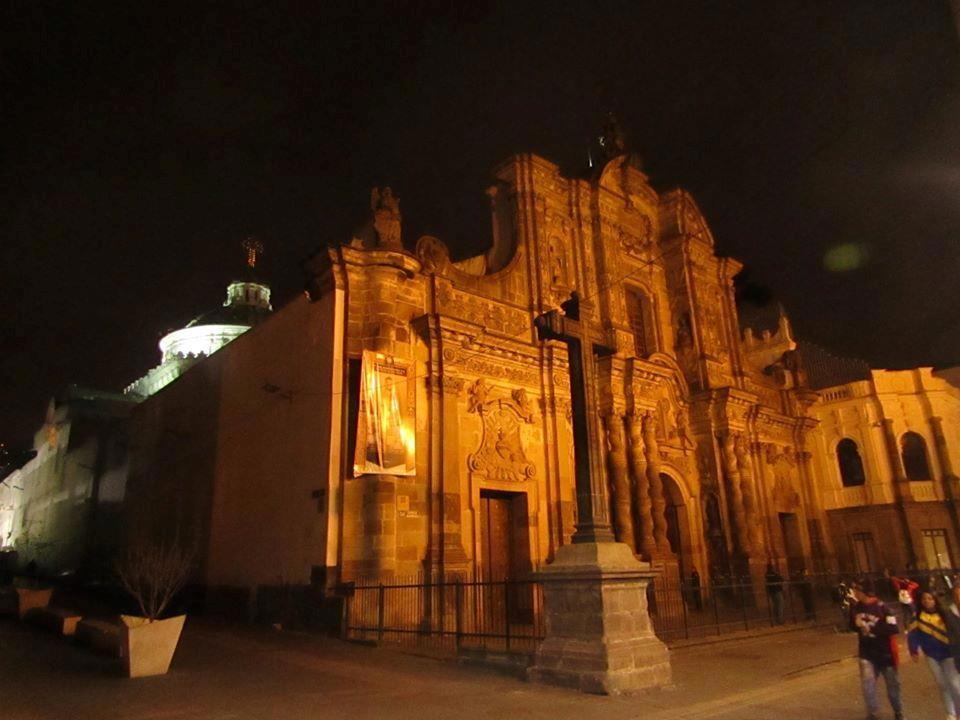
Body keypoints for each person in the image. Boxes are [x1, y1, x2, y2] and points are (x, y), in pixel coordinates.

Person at [850, 578, 904, 720]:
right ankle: (872, 713)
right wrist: (855, 624)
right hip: (867, 652)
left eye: (857, 589)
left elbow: (893, 628)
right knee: (868, 684)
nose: (855, 592)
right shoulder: (856, 607)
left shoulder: (883, 608)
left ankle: (898, 710)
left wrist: (872, 628)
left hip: (885, 653)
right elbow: (852, 626)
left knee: (892, 686)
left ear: (864, 591)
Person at [908, 590, 960, 720]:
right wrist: (913, 650)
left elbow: (956, 629)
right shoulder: (918, 616)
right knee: (942, 684)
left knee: (954, 683)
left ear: (935, 599)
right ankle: (951, 713)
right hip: (932, 655)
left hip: (948, 653)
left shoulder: (945, 613)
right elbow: (913, 634)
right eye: (924, 599)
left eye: (930, 598)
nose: (927, 601)